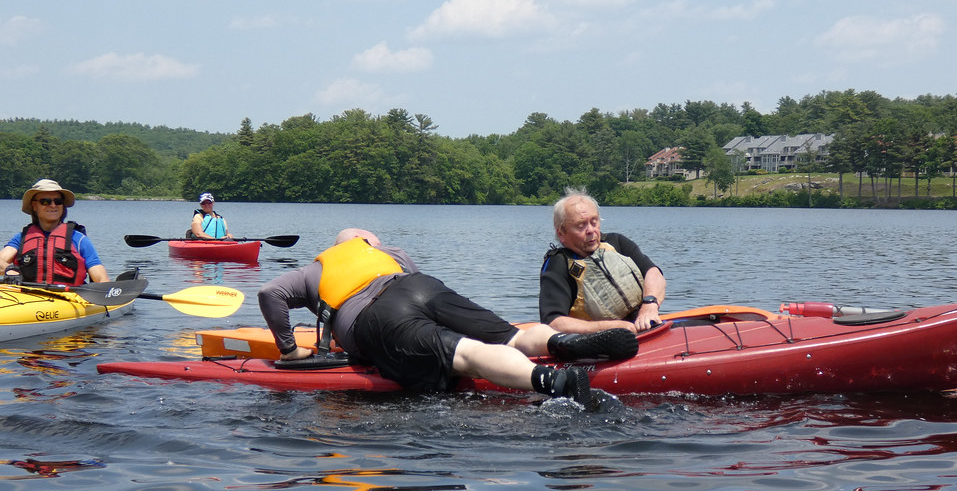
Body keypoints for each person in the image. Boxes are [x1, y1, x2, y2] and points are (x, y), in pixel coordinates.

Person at [257, 228, 640, 407]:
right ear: (369, 243)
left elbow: (268, 293)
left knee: (466, 354)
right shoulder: (389, 252)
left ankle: (558, 381)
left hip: (376, 315)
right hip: (424, 287)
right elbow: (413, 285)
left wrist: (289, 350)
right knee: (510, 335)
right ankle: (562, 344)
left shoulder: (315, 268)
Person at [540, 187, 666, 334]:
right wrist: (610, 328)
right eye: (581, 226)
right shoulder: (558, 264)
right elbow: (553, 322)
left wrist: (649, 305)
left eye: (594, 222)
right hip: (603, 341)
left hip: (645, 325)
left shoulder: (617, 242)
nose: (591, 230)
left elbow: (653, 272)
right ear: (561, 233)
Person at [0, 178, 109, 284]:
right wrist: (9, 269)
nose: (53, 205)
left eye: (58, 201)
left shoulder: (79, 239)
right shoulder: (20, 239)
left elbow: (101, 278)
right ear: (34, 205)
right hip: (27, 298)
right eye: (45, 201)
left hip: (69, 299)